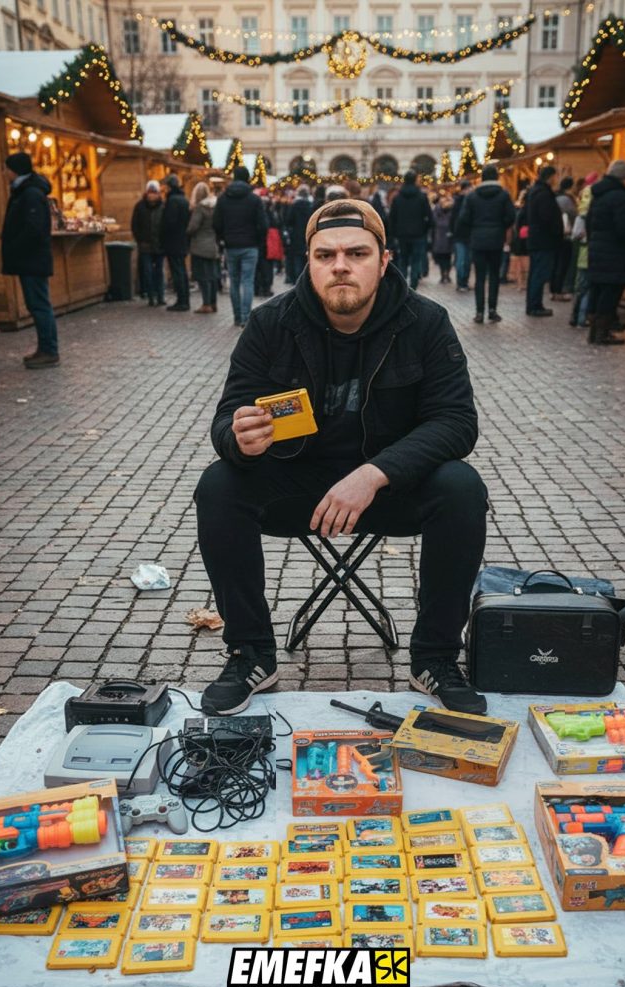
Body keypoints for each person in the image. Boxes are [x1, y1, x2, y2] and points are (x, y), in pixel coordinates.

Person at [194, 199, 488, 718]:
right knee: (219, 484)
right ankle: (250, 654)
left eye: (356, 252)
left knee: (462, 487)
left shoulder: (425, 322)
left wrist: (375, 474)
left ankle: (436, 658)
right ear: (306, 260)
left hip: (389, 489)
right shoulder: (270, 324)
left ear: (384, 258)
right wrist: (238, 439)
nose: (341, 265)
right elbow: (226, 418)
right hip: (298, 488)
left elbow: (457, 422)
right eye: (325, 254)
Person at [1, 151, 59, 367]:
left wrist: (15, 246)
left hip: (32, 259)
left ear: (15, 170)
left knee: (39, 305)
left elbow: (33, 229)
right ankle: (45, 348)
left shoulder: (30, 193)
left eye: (7, 168)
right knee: (38, 305)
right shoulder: (26, 191)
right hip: (32, 259)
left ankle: (49, 350)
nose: (4, 173)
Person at [586, 160, 625, 346]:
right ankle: (602, 332)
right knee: (611, 290)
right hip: (614, 251)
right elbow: (624, 228)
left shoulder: (599, 195)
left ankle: (595, 330)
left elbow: (589, 222)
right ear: (623, 179)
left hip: (598, 248)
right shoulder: (619, 197)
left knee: (599, 289)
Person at [457, 164, 515, 324]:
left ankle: (479, 312)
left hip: (478, 240)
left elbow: (463, 218)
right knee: (494, 276)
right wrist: (500, 225)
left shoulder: (472, 196)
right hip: (496, 240)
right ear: (496, 177)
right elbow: (511, 216)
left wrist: (474, 228)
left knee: (480, 277)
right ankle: (492, 310)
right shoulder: (503, 195)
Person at [213, 165, 267, 327]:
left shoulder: (223, 198)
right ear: (247, 178)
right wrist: (258, 240)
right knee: (247, 281)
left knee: (234, 282)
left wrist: (223, 238)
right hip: (250, 245)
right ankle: (245, 317)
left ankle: (237, 316)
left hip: (231, 246)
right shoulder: (254, 199)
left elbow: (216, 223)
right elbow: (263, 224)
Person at [524, 165, 563, 317]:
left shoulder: (535, 191)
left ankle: (534, 304)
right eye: (555, 176)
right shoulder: (543, 194)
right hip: (543, 240)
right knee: (539, 274)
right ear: (550, 177)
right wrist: (556, 232)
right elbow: (547, 217)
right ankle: (535, 306)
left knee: (536, 273)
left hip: (536, 239)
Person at [388, 170, 432, 290]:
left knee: (403, 259)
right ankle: (413, 285)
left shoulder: (397, 198)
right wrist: (425, 229)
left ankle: (403, 284)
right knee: (416, 260)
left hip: (401, 235)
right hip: (418, 234)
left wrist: (393, 235)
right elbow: (429, 216)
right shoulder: (422, 197)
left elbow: (392, 218)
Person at [569, 172, 598, 329]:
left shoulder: (581, 216)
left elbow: (575, 235)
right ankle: (582, 317)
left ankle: (575, 316)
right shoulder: (597, 214)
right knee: (589, 288)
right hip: (594, 253)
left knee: (580, 287)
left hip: (582, 252)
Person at [131, 180, 165, 307]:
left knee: (159, 272)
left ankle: (160, 296)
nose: (152, 195)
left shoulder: (163, 206)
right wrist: (140, 240)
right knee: (148, 272)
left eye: (154, 192)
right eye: (150, 192)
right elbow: (135, 225)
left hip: (159, 245)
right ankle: (151, 296)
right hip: (145, 245)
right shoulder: (139, 206)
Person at [187, 181, 219, 314]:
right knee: (212, 276)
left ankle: (206, 304)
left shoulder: (200, 208)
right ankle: (213, 302)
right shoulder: (215, 206)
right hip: (212, 245)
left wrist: (187, 232)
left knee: (203, 276)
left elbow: (193, 227)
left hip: (200, 246)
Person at [161, 174, 190, 312]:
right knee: (182, 271)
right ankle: (185, 300)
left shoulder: (172, 200)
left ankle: (182, 301)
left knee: (177, 271)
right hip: (182, 240)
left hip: (174, 241)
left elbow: (169, 223)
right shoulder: (183, 199)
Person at [551, 176, 577, 301]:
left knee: (555, 263)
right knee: (563, 264)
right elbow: (574, 214)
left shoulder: (555, 197)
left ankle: (553, 290)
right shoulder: (567, 200)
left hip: (554, 235)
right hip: (565, 235)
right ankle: (559, 289)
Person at [449, 180, 473, 292]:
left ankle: (463, 282)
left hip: (464, 235)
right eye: (469, 188)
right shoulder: (463, 201)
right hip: (462, 235)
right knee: (462, 260)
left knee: (465, 260)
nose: (471, 190)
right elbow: (453, 218)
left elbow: (452, 218)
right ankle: (461, 282)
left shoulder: (459, 201)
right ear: (464, 189)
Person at [285, 184, 313, 281]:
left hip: (296, 236)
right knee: (307, 260)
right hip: (308, 235)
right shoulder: (310, 205)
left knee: (297, 260)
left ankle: (298, 281)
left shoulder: (294, 205)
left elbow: (288, 220)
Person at [431, 194, 453, 283]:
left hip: (440, 236)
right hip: (445, 236)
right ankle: (445, 274)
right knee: (446, 258)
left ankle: (444, 274)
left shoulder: (437, 209)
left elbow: (434, 221)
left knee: (444, 258)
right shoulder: (449, 210)